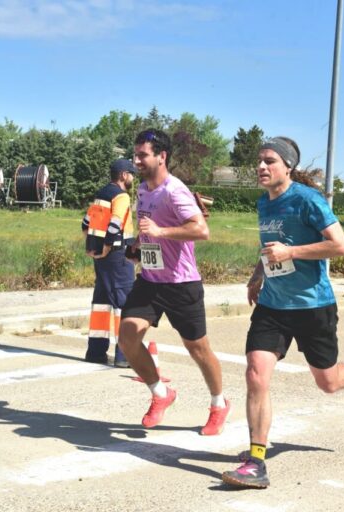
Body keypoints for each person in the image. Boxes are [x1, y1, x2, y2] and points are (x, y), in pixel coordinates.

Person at [221, 137, 344, 489]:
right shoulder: (264, 203)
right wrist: (258, 273)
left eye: (269, 161)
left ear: (287, 166)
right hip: (273, 305)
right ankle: (256, 461)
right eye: (259, 161)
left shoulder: (307, 200)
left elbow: (340, 245)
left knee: (328, 382)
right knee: (256, 373)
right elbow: (270, 246)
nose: (261, 167)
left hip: (313, 306)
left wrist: (292, 253)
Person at [117, 128, 230, 436]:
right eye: (135, 154)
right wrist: (139, 248)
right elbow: (148, 228)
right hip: (152, 280)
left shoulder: (174, 190)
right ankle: (160, 394)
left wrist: (160, 232)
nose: (136, 160)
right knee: (127, 337)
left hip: (181, 283)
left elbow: (201, 230)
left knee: (199, 350)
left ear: (161, 156)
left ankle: (219, 404)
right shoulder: (142, 189)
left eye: (142, 155)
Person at [81, 158, 138, 367]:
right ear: (123, 175)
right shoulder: (121, 196)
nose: (133, 178)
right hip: (118, 255)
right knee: (125, 302)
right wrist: (106, 247)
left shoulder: (101, 194)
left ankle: (95, 352)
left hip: (100, 258)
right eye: (131, 174)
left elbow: (86, 224)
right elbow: (115, 224)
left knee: (102, 303)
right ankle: (124, 356)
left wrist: (94, 248)